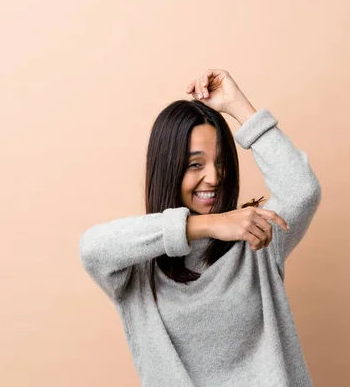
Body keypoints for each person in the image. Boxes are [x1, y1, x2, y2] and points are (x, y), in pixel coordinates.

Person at [79, 69, 322, 387]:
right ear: (169, 170)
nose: (214, 177)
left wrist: (237, 106)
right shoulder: (138, 265)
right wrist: (211, 225)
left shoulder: (255, 236)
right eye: (195, 164)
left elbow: (302, 190)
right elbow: (93, 247)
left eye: (221, 162)